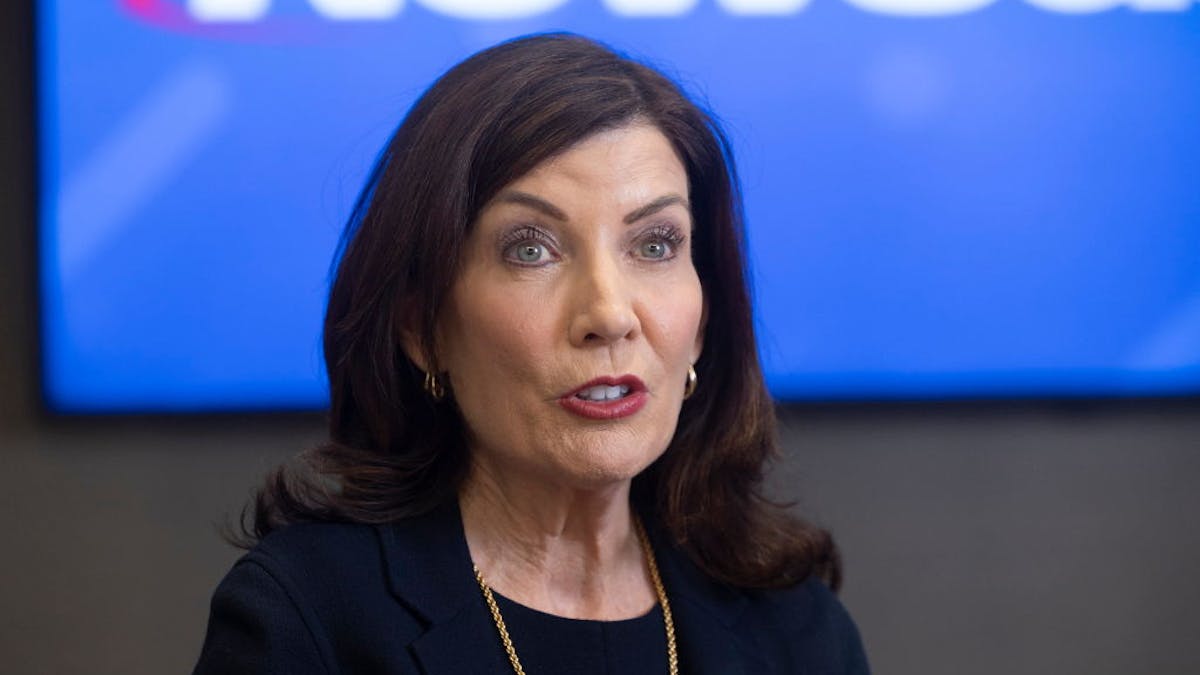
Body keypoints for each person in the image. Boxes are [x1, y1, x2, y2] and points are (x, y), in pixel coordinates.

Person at [193, 32, 869, 675]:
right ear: (422, 327)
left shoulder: (797, 629)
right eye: (531, 249)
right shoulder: (307, 618)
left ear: (702, 319)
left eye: (655, 244)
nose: (609, 314)